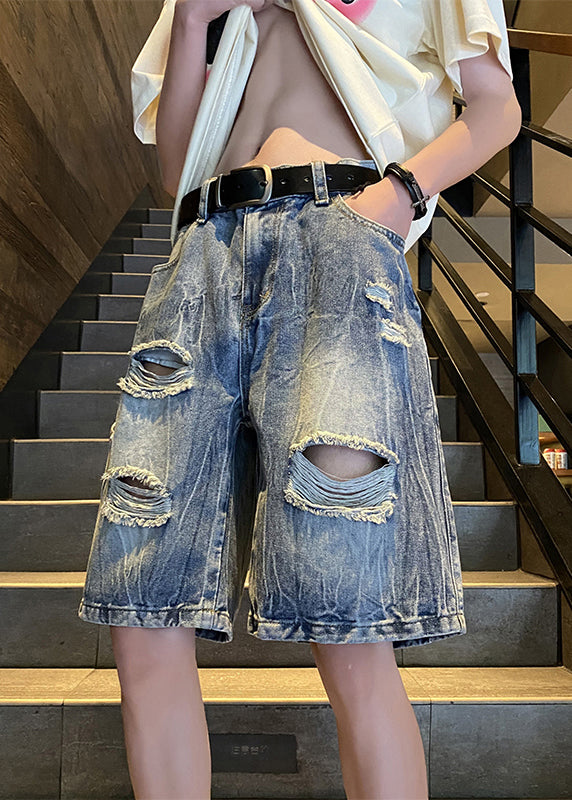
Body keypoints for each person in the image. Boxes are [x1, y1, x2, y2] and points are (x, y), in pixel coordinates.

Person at [78, 0, 522, 796]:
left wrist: (398, 195)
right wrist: (192, 22)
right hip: (204, 250)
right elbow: (177, 172)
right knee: (143, 608)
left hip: (338, 238)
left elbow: (497, 108)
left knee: (345, 613)